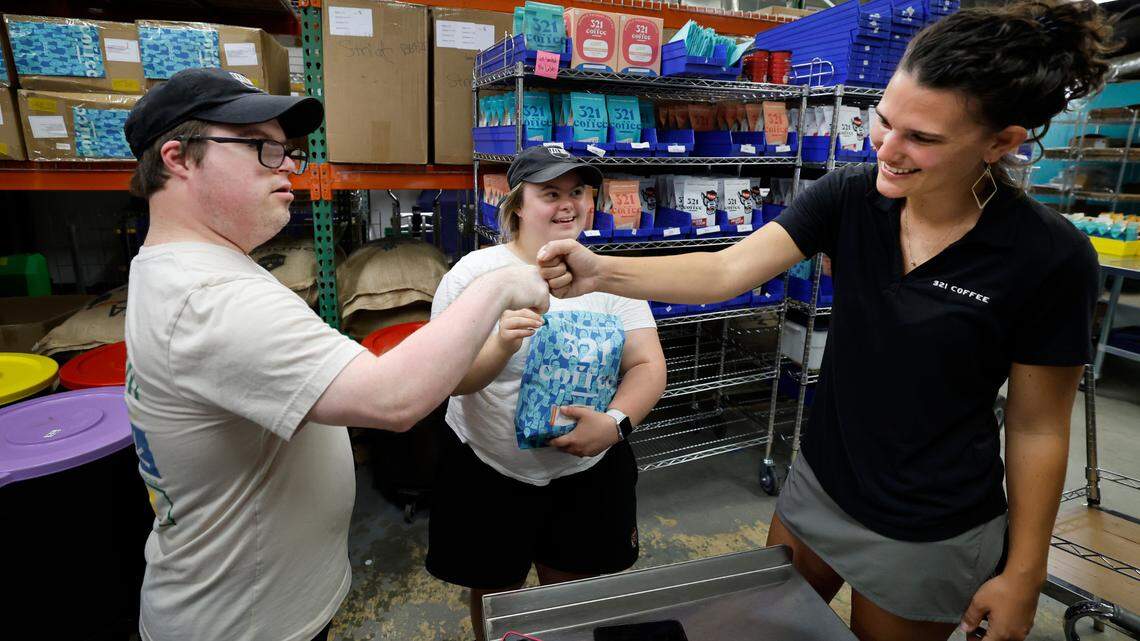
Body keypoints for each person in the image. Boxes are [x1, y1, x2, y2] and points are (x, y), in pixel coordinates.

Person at [536, 2, 1118, 640]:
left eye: (921, 139)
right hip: (819, 480)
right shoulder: (850, 195)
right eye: (885, 121)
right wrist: (601, 271)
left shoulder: (1049, 257)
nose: (887, 151)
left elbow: (1038, 428)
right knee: (770, 626)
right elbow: (727, 271)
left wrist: (1025, 572)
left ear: (1001, 143)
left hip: (929, 523)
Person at [121, 68, 549, 641]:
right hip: (243, 625)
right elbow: (393, 399)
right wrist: (499, 286)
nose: (289, 166)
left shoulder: (192, 267)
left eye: (287, 151)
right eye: (262, 149)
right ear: (178, 158)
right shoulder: (210, 298)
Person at [425, 146, 667, 641]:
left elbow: (647, 364)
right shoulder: (474, 275)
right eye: (550, 193)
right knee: (499, 597)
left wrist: (616, 423)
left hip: (586, 471)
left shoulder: (608, 276)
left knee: (567, 596)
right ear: (517, 204)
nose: (567, 205)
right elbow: (448, 380)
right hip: (490, 468)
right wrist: (500, 343)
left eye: (577, 192)